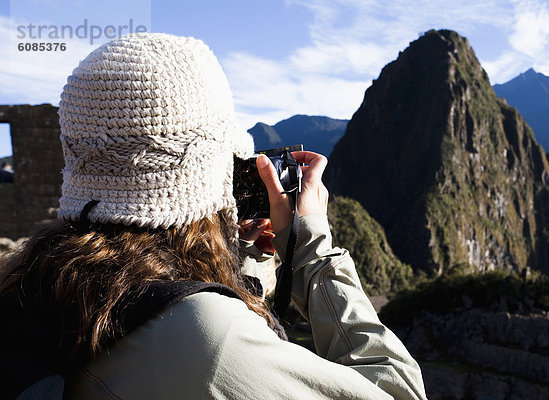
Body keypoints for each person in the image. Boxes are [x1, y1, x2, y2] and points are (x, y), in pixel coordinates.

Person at [0, 33, 426, 399]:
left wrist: (234, 262)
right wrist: (313, 251)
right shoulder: (209, 338)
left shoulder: (29, 283)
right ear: (215, 176)